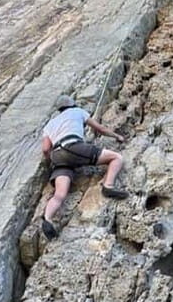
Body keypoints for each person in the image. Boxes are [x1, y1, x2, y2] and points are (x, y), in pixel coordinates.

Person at [40, 94, 128, 239]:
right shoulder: (78, 111)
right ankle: (108, 186)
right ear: (72, 104)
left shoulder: (50, 124)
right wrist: (117, 136)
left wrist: (52, 161)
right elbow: (100, 129)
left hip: (57, 155)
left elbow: (45, 149)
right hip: (73, 146)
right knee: (116, 157)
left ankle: (48, 219)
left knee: (59, 195)